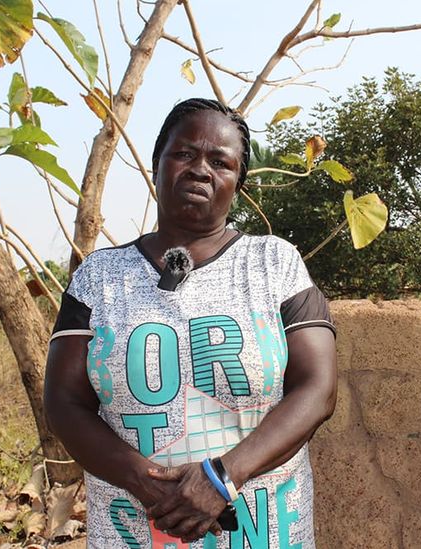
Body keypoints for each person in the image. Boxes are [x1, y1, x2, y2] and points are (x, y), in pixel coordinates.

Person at [45, 98, 337, 548]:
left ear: (237, 183)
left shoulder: (274, 265)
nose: (201, 169)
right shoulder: (98, 278)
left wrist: (221, 478)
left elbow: (318, 389)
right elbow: (64, 403)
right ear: (156, 164)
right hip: (133, 532)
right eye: (184, 153)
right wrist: (145, 481)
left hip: (266, 532)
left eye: (220, 162)